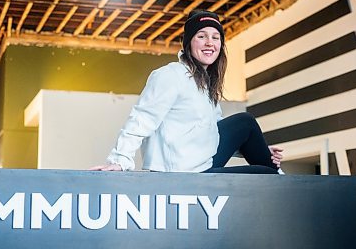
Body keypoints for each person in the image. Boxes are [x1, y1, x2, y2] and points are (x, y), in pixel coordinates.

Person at [91, 10, 283, 174]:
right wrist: (120, 159)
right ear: (189, 43)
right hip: (181, 173)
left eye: (215, 38)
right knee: (248, 129)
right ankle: (283, 178)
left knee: (256, 150)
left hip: (202, 164)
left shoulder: (206, 85)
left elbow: (211, 135)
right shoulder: (170, 75)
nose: (209, 43)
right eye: (201, 36)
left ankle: (278, 172)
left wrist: (255, 149)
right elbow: (142, 118)